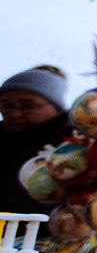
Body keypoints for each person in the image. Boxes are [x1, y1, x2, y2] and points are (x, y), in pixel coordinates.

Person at [1, 65, 72, 218]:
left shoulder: (72, 142)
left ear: (56, 107)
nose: (15, 113)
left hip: (45, 228)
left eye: (28, 106)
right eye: (7, 106)